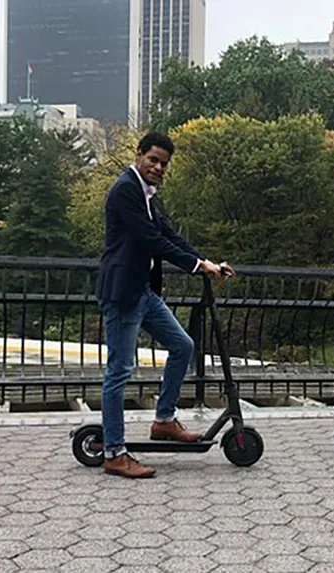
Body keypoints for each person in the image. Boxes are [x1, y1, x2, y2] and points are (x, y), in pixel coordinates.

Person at [95, 131, 231, 479]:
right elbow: (151, 240)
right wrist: (196, 267)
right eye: (153, 160)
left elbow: (169, 234)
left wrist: (205, 260)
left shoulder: (149, 195)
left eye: (164, 164)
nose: (158, 167)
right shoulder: (126, 189)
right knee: (119, 371)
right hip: (123, 293)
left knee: (182, 346)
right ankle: (114, 453)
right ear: (139, 155)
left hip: (143, 291)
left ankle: (164, 420)